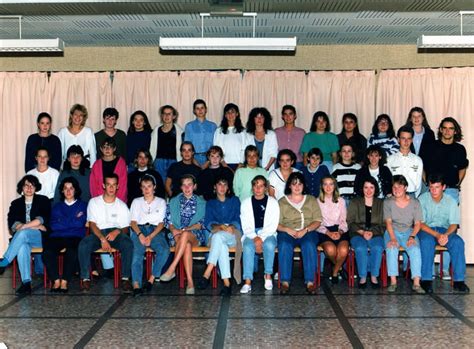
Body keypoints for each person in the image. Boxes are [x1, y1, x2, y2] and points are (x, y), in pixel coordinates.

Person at [78, 173, 132, 293]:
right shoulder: (94, 202)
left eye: (114, 185)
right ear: (103, 185)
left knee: (128, 243)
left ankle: (126, 278)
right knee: (84, 244)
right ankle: (85, 278)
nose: (111, 188)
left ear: (118, 186)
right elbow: (92, 224)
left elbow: (125, 228)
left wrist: (116, 232)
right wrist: (103, 239)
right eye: (108, 185)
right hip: (99, 233)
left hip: (116, 233)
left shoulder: (122, 205)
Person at [418, 174, 469, 294]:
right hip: (427, 230)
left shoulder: (451, 201)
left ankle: (459, 281)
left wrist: (445, 235)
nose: (434, 190)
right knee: (426, 242)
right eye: (431, 187)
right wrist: (437, 235)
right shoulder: (422, 199)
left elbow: (454, 224)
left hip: (445, 230)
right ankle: (425, 280)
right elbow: (420, 223)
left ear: (444, 187)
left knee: (458, 242)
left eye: (437, 187)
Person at [0, 175, 51, 295]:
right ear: (21, 188)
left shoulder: (43, 200)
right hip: (23, 237)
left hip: (40, 237)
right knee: (22, 247)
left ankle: (4, 262)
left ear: (36, 188)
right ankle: (26, 283)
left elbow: (42, 219)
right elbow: (13, 224)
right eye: (26, 185)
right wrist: (32, 226)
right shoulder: (16, 203)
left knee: (22, 233)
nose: (29, 188)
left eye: (32, 185)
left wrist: (24, 226)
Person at [160, 175, 207, 295]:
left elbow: (202, 224)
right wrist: (174, 230)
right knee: (186, 245)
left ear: (194, 186)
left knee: (185, 235)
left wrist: (186, 229)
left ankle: (172, 268)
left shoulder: (202, 202)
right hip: (176, 235)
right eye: (184, 185)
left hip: (196, 234)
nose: (187, 187)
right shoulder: (173, 201)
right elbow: (167, 221)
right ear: (181, 187)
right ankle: (190, 283)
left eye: (190, 184)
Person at [277, 172, 321, 294]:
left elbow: (317, 220)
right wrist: (287, 229)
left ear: (304, 186)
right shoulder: (282, 202)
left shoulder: (311, 200)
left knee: (309, 245)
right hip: (287, 231)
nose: (297, 187)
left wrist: (306, 230)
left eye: (300, 184)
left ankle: (310, 282)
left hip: (308, 231)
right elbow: (276, 224)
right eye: (294, 184)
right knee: (285, 245)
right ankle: (285, 282)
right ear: (289, 186)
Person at [197, 177, 242, 296]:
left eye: (225, 185)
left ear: (228, 188)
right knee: (221, 244)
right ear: (215, 187)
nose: (222, 187)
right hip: (217, 232)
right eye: (219, 184)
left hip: (233, 233)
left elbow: (238, 218)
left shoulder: (235, 200)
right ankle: (227, 284)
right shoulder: (210, 203)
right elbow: (208, 222)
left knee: (218, 238)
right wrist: (221, 226)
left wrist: (231, 226)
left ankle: (207, 273)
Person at [43, 177, 87, 293]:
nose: (68, 191)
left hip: (75, 236)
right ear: (62, 191)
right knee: (47, 252)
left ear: (75, 190)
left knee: (72, 252)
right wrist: (72, 220)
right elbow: (53, 225)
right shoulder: (57, 206)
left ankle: (65, 281)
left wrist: (62, 221)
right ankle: (56, 280)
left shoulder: (82, 205)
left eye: (71, 188)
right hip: (57, 236)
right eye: (65, 188)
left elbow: (80, 223)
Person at [383, 175, 424, 294]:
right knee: (391, 248)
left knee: (415, 249)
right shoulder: (388, 202)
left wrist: (412, 237)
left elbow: (417, 223)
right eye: (394, 187)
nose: (396, 189)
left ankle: (416, 283)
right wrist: (392, 238)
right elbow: (388, 223)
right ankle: (393, 281)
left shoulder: (415, 203)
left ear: (405, 187)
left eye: (400, 186)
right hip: (392, 230)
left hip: (409, 231)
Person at [129, 175, 169, 296]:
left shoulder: (161, 202)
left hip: (155, 230)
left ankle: (151, 279)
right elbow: (133, 222)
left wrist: (150, 236)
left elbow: (162, 223)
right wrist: (140, 235)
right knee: (137, 252)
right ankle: (136, 284)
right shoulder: (136, 201)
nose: (147, 189)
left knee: (164, 249)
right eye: (144, 187)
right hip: (139, 229)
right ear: (141, 189)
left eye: (149, 186)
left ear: (154, 187)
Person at [240, 175, 279, 294]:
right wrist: (254, 237)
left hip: (268, 233)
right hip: (250, 233)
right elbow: (245, 224)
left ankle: (268, 276)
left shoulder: (273, 202)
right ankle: (247, 281)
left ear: (266, 188)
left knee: (270, 245)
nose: (258, 188)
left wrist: (261, 238)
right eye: (256, 185)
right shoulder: (245, 203)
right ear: (252, 187)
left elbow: (273, 224)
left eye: (261, 186)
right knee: (247, 247)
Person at [347, 177, 384, 289]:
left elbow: (384, 224)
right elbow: (350, 222)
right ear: (362, 189)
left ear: (375, 189)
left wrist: (372, 232)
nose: (368, 190)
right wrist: (362, 232)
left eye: (371, 187)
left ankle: (374, 276)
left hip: (376, 233)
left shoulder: (381, 203)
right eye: (366, 187)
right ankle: (362, 277)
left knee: (377, 247)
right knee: (360, 248)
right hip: (358, 232)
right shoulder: (354, 202)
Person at [426, 117, 468, 204]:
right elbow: (422, 167)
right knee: (431, 218)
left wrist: (457, 184)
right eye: (445, 128)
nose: (447, 131)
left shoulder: (460, 149)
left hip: (451, 191)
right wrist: (427, 183)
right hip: (433, 191)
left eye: (451, 128)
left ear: (455, 131)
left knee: (452, 218)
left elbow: (462, 168)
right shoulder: (431, 146)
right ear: (441, 130)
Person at [316, 176, 349, 284]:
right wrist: (328, 233)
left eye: (331, 184)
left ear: (335, 186)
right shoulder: (317, 201)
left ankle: (335, 272)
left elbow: (344, 220)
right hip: (324, 230)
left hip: (339, 229)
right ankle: (339, 268)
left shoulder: (341, 201)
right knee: (330, 250)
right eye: (325, 184)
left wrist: (340, 232)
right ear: (322, 186)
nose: (328, 187)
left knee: (343, 250)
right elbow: (317, 222)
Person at [150, 105, 183, 185]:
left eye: (169, 114)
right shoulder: (156, 130)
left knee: (172, 186)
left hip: (174, 162)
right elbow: (152, 148)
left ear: (174, 116)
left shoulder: (180, 131)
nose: (166, 116)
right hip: (158, 162)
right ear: (161, 116)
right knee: (159, 185)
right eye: (164, 114)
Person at [386, 126, 423, 197]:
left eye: (409, 139)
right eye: (403, 138)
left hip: (411, 195)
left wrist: (414, 197)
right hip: (394, 196)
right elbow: (388, 180)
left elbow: (418, 184)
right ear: (398, 140)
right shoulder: (390, 160)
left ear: (412, 140)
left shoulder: (417, 160)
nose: (406, 141)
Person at [90, 137, 128, 203]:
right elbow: (93, 186)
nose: (107, 149)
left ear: (114, 148)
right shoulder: (96, 165)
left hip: (117, 202)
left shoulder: (121, 163)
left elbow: (123, 186)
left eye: (110, 147)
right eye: (104, 147)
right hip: (100, 202)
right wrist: (98, 202)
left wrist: (117, 203)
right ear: (101, 149)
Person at [213, 103, 248, 170]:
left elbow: (245, 149)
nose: (230, 115)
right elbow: (216, 149)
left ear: (237, 114)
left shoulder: (243, 131)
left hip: (240, 165)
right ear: (225, 115)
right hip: (223, 164)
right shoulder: (219, 131)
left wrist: (240, 164)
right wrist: (223, 163)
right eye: (228, 113)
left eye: (232, 112)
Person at [184, 99, 217, 166]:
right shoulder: (189, 126)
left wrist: (208, 161)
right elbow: (187, 145)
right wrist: (194, 161)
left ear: (206, 110)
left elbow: (215, 145)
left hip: (210, 159)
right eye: (197, 108)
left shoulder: (213, 126)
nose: (200, 110)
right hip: (194, 158)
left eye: (202, 108)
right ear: (194, 111)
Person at [245, 107, 279, 172]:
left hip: (268, 166)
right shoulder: (248, 135)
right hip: (251, 166)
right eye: (256, 117)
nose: (259, 119)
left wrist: (267, 167)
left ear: (265, 119)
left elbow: (274, 154)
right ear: (253, 119)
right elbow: (246, 153)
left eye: (262, 117)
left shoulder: (271, 134)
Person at [274, 105, 306, 170]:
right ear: (282, 116)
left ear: (295, 116)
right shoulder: (276, 132)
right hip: (281, 163)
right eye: (285, 114)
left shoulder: (302, 132)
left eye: (290, 114)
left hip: (297, 163)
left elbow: (304, 152)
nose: (288, 117)